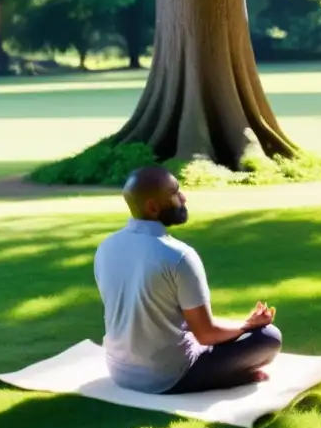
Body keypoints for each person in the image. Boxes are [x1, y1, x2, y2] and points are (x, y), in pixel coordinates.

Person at [93, 166, 282, 394]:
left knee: (211, 330)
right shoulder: (178, 256)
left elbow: (163, 318)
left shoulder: (106, 247)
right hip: (167, 377)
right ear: (153, 207)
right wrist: (247, 326)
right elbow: (206, 335)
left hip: (120, 371)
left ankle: (233, 369)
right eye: (174, 193)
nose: (183, 198)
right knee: (269, 337)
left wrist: (243, 324)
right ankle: (235, 376)